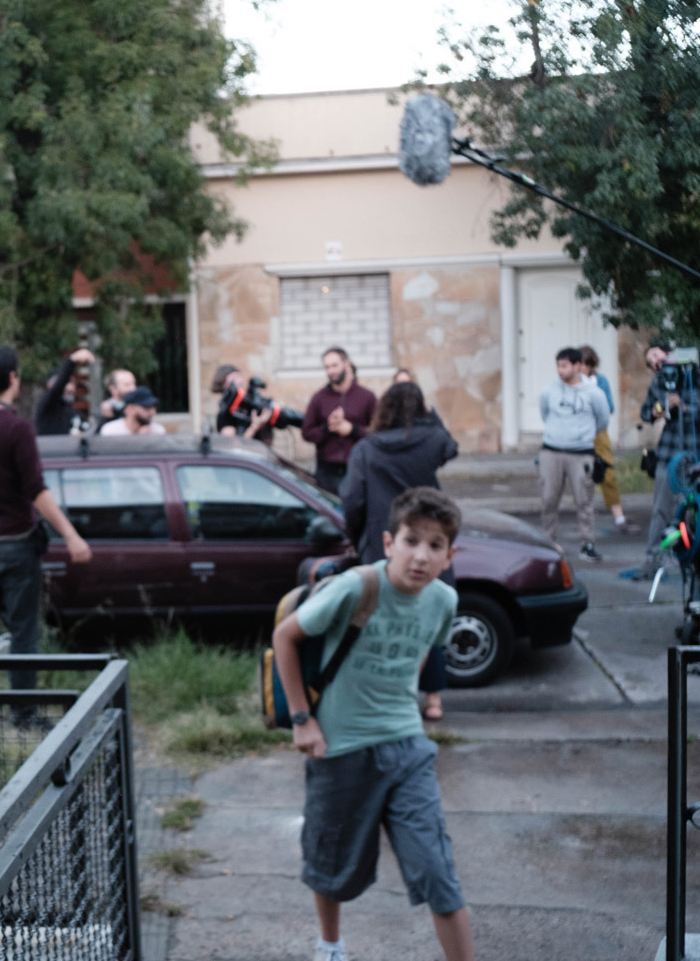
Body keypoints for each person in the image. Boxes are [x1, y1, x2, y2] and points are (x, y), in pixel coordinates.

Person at [270, 487, 474, 961]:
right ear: (388, 543)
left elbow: (422, 653)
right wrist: (303, 720)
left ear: (450, 555)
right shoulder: (357, 587)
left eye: (435, 545)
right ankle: (331, 944)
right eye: (411, 541)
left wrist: (400, 702)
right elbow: (285, 636)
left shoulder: (443, 600)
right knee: (331, 863)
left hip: (407, 749)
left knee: (437, 871)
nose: (421, 556)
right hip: (340, 749)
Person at [0, 346, 92, 721]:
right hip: (16, 546)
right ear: (13, 378)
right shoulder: (18, 427)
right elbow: (36, 491)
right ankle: (24, 713)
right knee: (24, 632)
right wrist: (71, 535)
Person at [338, 381, 458, 721]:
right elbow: (452, 448)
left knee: (383, 623)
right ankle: (433, 700)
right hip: (430, 541)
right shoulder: (432, 439)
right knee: (429, 617)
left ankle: (385, 696)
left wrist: (356, 535)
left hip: (385, 546)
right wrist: (433, 417)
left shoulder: (366, 448)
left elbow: (352, 499)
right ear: (420, 409)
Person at [634, 342, 700, 580]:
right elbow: (646, 412)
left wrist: (685, 407)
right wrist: (657, 410)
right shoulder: (661, 380)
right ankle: (652, 560)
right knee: (661, 510)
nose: (669, 370)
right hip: (669, 454)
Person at [540, 347, 610, 561]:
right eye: (558, 366)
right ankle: (547, 543)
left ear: (578, 366)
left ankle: (587, 544)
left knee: (584, 501)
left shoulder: (594, 393)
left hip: (581, 454)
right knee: (548, 500)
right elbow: (545, 413)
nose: (560, 370)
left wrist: (580, 437)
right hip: (551, 452)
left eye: (565, 365)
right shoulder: (550, 391)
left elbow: (602, 420)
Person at [579, 345, 638, 535]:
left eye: (582, 364)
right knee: (580, 476)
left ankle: (619, 518)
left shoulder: (600, 381)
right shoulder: (572, 382)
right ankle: (584, 519)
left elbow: (609, 407)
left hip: (599, 433)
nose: (578, 368)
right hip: (579, 434)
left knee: (607, 474)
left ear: (590, 364)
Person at [302, 347, 378, 493]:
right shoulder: (319, 398)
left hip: (359, 468)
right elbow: (307, 433)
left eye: (334, 365)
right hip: (327, 471)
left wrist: (352, 430)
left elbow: (378, 433)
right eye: (327, 367)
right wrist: (328, 428)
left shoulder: (367, 397)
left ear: (346, 364)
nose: (331, 371)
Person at [34, 347, 95, 436]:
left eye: (73, 383)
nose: (71, 388)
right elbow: (58, 387)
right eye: (67, 383)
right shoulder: (46, 408)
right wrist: (72, 360)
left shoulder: (75, 414)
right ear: (50, 385)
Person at [211, 364, 272, 442]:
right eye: (235, 378)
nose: (240, 381)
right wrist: (255, 426)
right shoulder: (225, 415)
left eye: (239, 377)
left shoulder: (244, 408)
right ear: (224, 383)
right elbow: (234, 446)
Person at [99, 386, 166, 435]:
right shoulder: (111, 431)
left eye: (153, 407)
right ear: (130, 409)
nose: (153, 412)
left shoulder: (157, 431)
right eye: (146, 407)